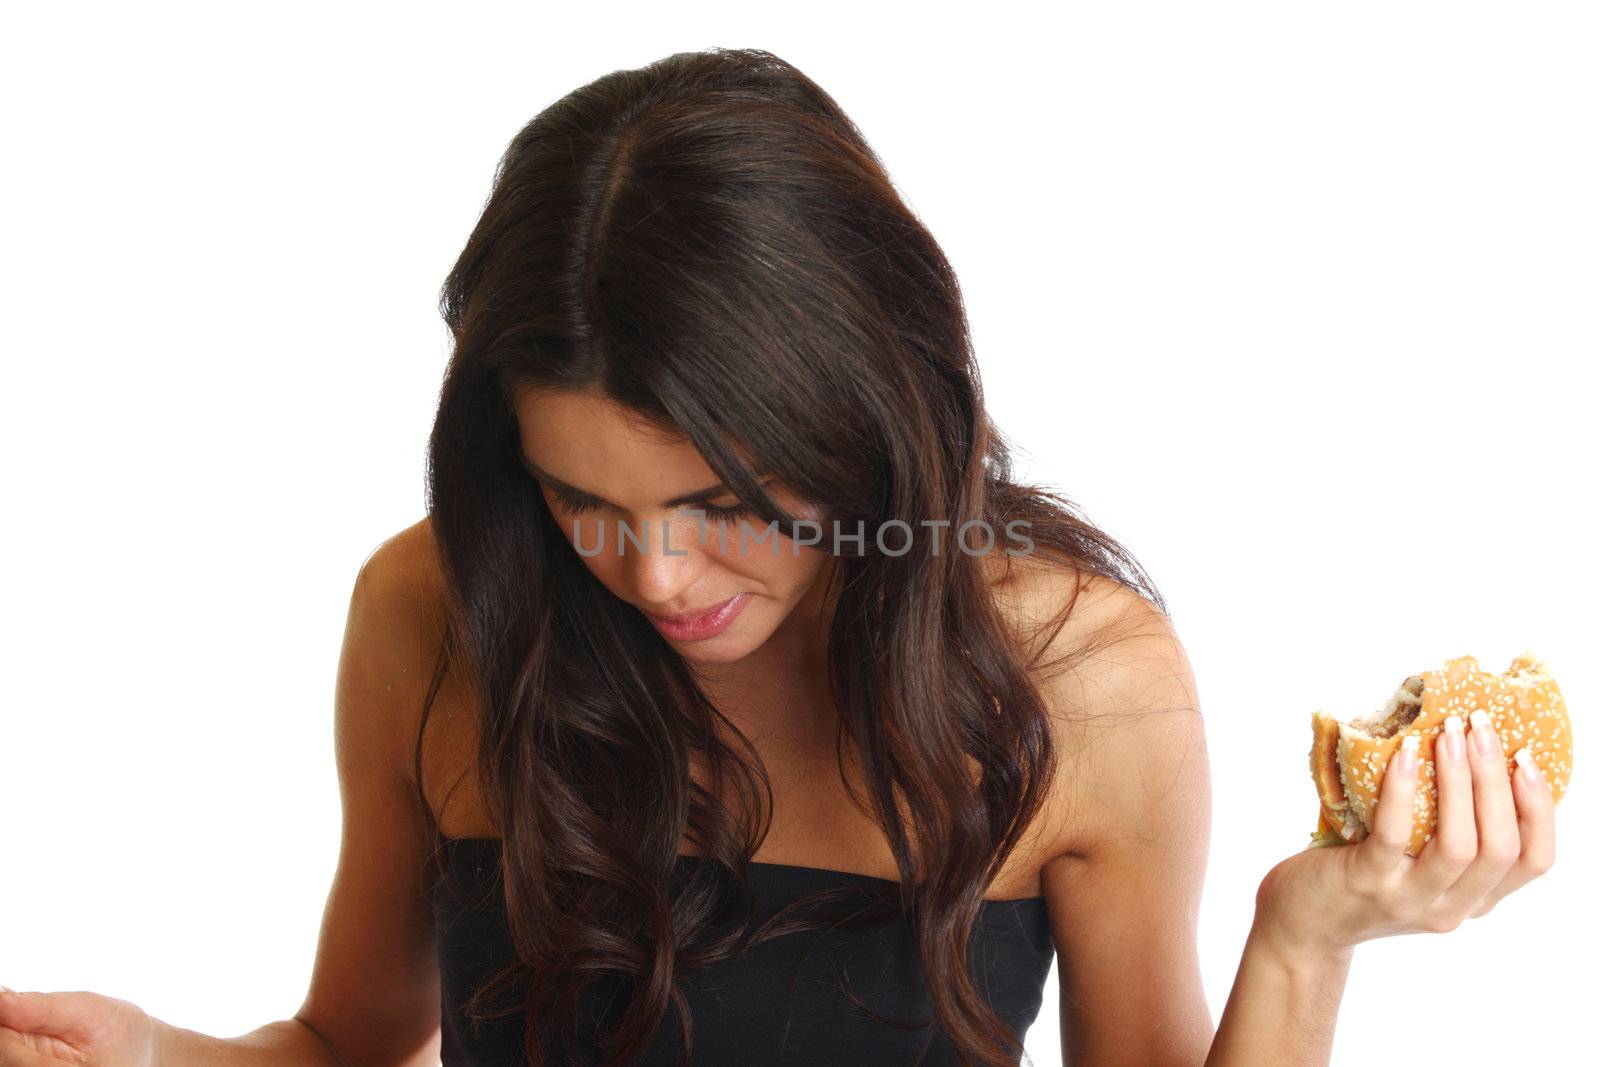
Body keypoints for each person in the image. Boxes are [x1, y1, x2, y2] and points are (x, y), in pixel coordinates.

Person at [0, 47, 1557, 1067]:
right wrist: (154, 1056)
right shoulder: (436, 611)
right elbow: (349, 1047)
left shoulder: (1078, 679)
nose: (661, 577)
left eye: (725, 498)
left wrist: (1306, 943)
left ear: (867, 414)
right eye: (585, 503)